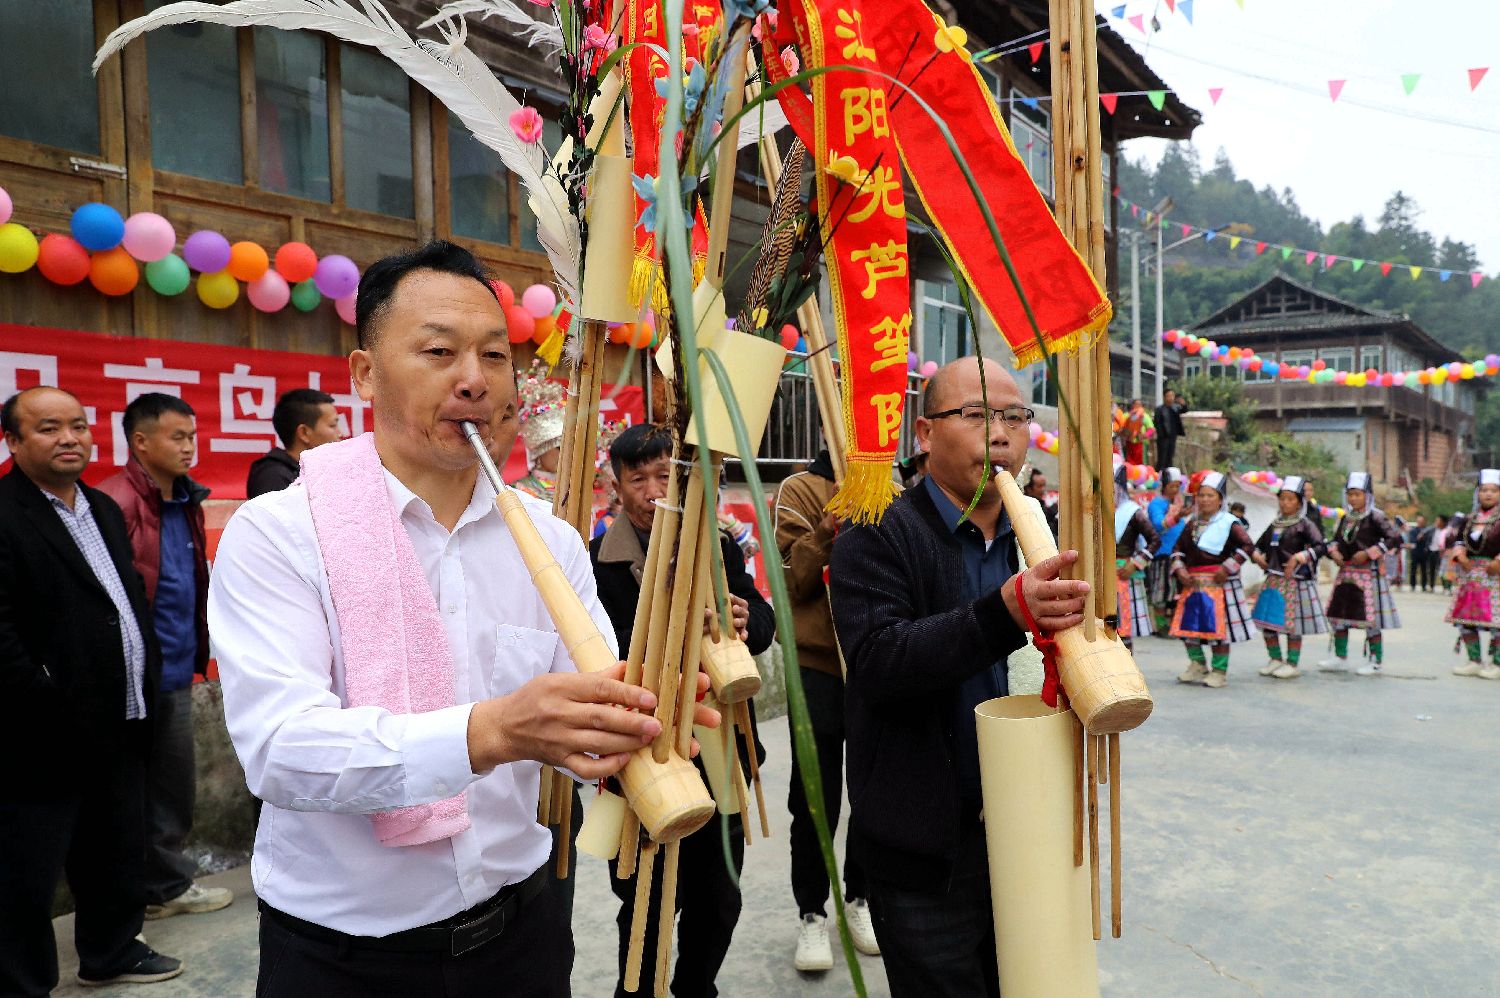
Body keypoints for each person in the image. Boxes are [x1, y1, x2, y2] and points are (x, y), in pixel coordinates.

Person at [208, 241, 714, 996]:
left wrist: (630, 718)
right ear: (365, 374)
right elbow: (282, 751)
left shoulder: (550, 541)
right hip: (345, 957)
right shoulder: (279, 534)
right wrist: (494, 731)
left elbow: (579, 715)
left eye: (495, 355)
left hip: (522, 933)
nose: (474, 379)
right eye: (439, 352)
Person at [828, 357, 1090, 997]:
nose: (1000, 434)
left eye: (1015, 417)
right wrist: (1004, 613)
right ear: (924, 433)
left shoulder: (1041, 532)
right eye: (976, 415)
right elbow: (879, 661)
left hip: (1029, 825)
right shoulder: (877, 528)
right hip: (925, 847)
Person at [0, 387, 184, 992]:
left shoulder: (101, 506)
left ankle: (110, 951)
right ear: (13, 441)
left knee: (114, 845)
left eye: (78, 426)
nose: (69, 439)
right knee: (28, 868)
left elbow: (124, 599)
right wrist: (41, 694)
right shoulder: (6, 512)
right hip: (40, 726)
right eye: (49, 428)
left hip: (120, 712)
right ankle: (23, 982)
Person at [590, 423, 774, 998]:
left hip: (720, 750)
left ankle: (698, 988)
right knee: (645, 899)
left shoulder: (718, 545)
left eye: (663, 476)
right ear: (616, 486)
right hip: (647, 754)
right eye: (637, 479)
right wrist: (669, 621)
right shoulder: (598, 562)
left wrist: (743, 620)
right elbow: (602, 656)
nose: (652, 491)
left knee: (719, 898)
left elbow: (763, 624)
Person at [98, 394, 234, 922]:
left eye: (192, 437)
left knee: (172, 784)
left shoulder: (185, 499)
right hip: (130, 673)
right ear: (140, 442)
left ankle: (162, 886)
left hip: (175, 668)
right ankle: (148, 891)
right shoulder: (114, 502)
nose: (188, 447)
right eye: (177, 437)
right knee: (133, 788)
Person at [773, 448, 879, 972]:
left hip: (872, 661)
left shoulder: (886, 484)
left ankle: (860, 898)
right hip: (816, 666)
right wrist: (829, 524)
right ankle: (812, 912)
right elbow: (793, 579)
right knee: (815, 796)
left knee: (871, 791)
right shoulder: (798, 489)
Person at [1169, 471, 1257, 688]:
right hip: (1193, 583)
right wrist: (1180, 569)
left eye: (1210, 495)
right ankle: (1197, 664)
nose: (1205, 500)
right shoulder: (1192, 524)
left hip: (1219, 583)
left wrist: (1227, 568)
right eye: (1201, 495)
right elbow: (1177, 549)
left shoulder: (1230, 523)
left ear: (1220, 499)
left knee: (1218, 630)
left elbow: (1247, 546)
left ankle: (1219, 670)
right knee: (1188, 627)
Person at [1319, 473, 1402, 676]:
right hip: (1346, 572)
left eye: (1357, 494)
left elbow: (1394, 537)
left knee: (1370, 620)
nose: (1353, 498)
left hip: (1368, 574)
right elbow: (1335, 540)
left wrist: (1369, 553)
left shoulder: (1375, 516)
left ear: (1367, 495)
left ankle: (1375, 661)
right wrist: (1334, 552)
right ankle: (1340, 657)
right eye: (1350, 494)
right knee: (1339, 616)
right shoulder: (1346, 518)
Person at [1249, 477, 1328, 680]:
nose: (1285, 503)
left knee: (1292, 625)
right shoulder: (1275, 524)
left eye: (1290, 499)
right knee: (1268, 622)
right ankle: (1275, 658)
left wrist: (1299, 557)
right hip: (1273, 579)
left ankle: (1292, 663)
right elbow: (1258, 546)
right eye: (1282, 498)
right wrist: (1256, 556)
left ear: (1300, 502)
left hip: (1295, 580)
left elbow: (1321, 546)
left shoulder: (1305, 524)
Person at [1445, 470, 1500, 679]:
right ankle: (1474, 661)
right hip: (1470, 574)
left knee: (1497, 620)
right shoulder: (1470, 518)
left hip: (1495, 574)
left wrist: (1498, 561)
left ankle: (1497, 663)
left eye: (1493, 490)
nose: (1488, 494)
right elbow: (1458, 540)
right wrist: (1460, 555)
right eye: (1484, 490)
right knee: (1466, 619)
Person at [245, 388, 342, 498]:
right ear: (304, 432)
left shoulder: (312, 473)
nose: (340, 433)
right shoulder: (273, 477)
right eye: (332, 425)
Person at [1112, 461, 1160, 652]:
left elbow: (1155, 540)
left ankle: (1125, 668)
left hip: (1123, 574)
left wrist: (1136, 563)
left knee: (1122, 628)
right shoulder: (1092, 510)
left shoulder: (1132, 512)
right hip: (1097, 575)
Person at [513, 359, 565, 501]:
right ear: (540, 449)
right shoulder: (518, 492)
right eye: (559, 447)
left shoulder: (576, 493)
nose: (566, 454)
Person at [1146, 468, 1188, 635]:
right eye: (1172, 486)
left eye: (1178, 486)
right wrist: (1177, 517)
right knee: (1161, 592)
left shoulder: (1177, 505)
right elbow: (1158, 525)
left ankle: (1173, 626)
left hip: (1178, 555)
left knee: (1175, 593)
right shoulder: (1156, 504)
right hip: (1162, 554)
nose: (1176, 490)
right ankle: (1161, 626)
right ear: (1164, 486)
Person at [1021, 464, 1059, 540]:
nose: (1043, 489)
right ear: (1028, 489)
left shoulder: (1041, 504)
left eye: (1044, 485)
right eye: (1040, 486)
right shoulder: (1027, 509)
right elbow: (1045, 533)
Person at [1153, 387, 1187, 470]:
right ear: (1164, 397)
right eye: (1169, 396)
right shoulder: (1159, 409)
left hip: (1173, 436)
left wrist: (1183, 404)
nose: (1171, 398)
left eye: (1172, 396)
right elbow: (1156, 423)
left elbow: (1184, 410)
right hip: (1163, 437)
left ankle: (1169, 474)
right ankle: (1159, 474)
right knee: (1162, 458)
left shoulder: (1175, 408)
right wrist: (1161, 434)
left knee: (1170, 458)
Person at [1121, 398, 1154, 466]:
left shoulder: (1145, 416)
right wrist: (1126, 433)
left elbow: (1151, 429)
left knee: (1141, 463)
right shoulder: (1126, 415)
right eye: (1136, 404)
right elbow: (1121, 428)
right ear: (1132, 405)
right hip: (1128, 443)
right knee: (1128, 463)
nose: (1137, 406)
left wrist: (1144, 435)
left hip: (1141, 443)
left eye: (1139, 404)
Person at [1425, 515, 1450, 593]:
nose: (1436, 522)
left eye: (1438, 521)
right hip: (1432, 551)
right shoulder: (1433, 529)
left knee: (1443, 570)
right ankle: (1431, 586)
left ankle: (1445, 587)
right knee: (1431, 570)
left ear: (1443, 522)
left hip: (1441, 553)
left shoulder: (1447, 531)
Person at [1406, 515, 1430, 592]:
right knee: (1413, 570)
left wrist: (1424, 538)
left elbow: (1429, 541)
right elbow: (1412, 541)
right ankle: (1412, 585)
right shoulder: (1413, 530)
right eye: (1419, 521)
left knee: (1424, 570)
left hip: (1424, 553)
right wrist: (1418, 538)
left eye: (1421, 521)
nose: (1420, 523)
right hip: (1415, 553)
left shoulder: (1427, 530)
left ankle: (1424, 585)